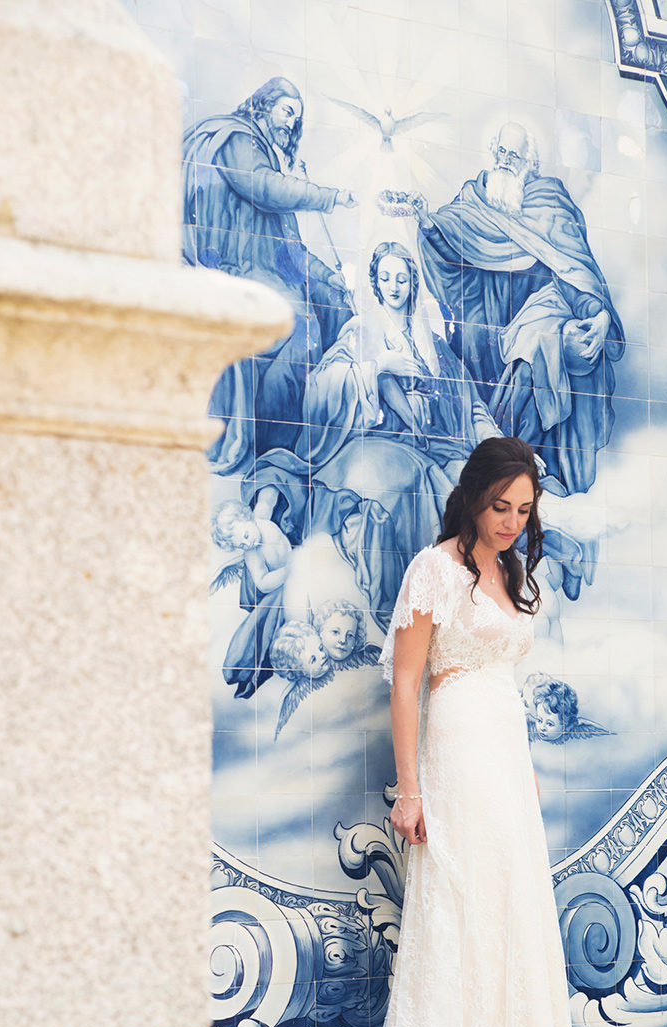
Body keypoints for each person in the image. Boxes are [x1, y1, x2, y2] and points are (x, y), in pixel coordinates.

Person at [286, 438, 595, 1027]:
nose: (512, 522)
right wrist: (410, 789)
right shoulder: (435, 569)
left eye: (523, 510)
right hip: (454, 750)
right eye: (500, 506)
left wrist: (524, 769)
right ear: (472, 496)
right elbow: (405, 684)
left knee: (510, 912)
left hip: (504, 756)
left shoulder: (515, 572)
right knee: (457, 911)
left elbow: (507, 684)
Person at [250, 241, 499, 624]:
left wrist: (498, 443)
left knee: (464, 500)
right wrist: (378, 365)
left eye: (401, 278)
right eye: (385, 278)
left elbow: (469, 401)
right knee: (391, 490)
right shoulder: (362, 330)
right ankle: (394, 611)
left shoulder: (431, 345)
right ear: (376, 284)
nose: (393, 286)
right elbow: (321, 386)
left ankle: (448, 611)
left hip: (432, 443)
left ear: (413, 284)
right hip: (377, 439)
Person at [416, 124, 623, 497]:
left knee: (535, 352)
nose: (505, 161)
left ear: (530, 162)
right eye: (500, 152)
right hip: (486, 318)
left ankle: (521, 466)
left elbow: (573, 268)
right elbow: (451, 256)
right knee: (474, 339)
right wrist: (428, 224)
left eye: (514, 155)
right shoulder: (474, 199)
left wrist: (598, 312)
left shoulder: (549, 203)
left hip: (538, 317)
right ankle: (491, 466)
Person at [182, 77, 356, 472]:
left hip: (258, 271)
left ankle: (283, 442)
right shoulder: (237, 139)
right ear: (263, 105)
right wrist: (327, 196)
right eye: (287, 111)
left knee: (329, 308)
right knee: (301, 327)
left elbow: (287, 252)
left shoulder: (262, 161)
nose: (292, 123)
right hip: (231, 270)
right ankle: (275, 446)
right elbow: (265, 188)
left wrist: (330, 277)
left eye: (297, 117)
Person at [210, 500, 293, 699]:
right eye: (241, 545)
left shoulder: (263, 518)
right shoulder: (252, 553)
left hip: (294, 572)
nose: (247, 543)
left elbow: (269, 497)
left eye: (245, 536)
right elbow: (263, 583)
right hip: (280, 585)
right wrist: (290, 570)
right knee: (259, 631)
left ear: (247, 518)